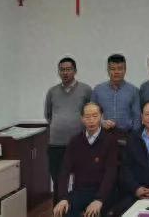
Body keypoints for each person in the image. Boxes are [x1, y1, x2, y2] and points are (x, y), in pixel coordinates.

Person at [53, 103, 118, 217]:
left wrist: (99, 199)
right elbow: (64, 170)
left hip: (104, 192)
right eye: (87, 117)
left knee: (94, 213)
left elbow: (111, 172)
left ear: (101, 117)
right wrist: (63, 198)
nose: (91, 120)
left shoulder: (110, 140)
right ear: (82, 119)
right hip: (81, 191)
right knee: (64, 210)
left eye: (95, 116)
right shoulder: (75, 141)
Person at [45, 57, 92, 205]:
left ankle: (76, 209)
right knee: (58, 181)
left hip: (80, 144)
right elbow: (48, 115)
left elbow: (90, 114)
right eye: (62, 70)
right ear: (59, 72)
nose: (65, 72)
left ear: (75, 71)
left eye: (68, 69)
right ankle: (58, 211)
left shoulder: (86, 90)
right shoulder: (52, 92)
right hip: (56, 144)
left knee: (82, 180)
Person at [91, 54, 141, 138]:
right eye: (113, 69)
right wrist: (101, 122)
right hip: (103, 136)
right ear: (108, 70)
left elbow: (137, 118)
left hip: (127, 136)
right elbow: (92, 114)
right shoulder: (98, 90)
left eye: (120, 69)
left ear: (125, 70)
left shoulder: (134, 91)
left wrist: (135, 137)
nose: (116, 72)